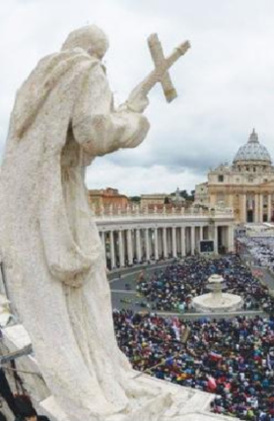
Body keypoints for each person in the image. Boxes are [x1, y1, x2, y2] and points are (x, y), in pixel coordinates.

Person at [0, 26, 169, 421]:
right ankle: (101, 381)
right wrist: (133, 119)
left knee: (61, 307)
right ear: (99, 52)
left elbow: (66, 143)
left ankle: (90, 379)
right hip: (61, 200)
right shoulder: (86, 70)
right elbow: (93, 133)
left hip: (26, 204)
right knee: (91, 297)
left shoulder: (37, 83)